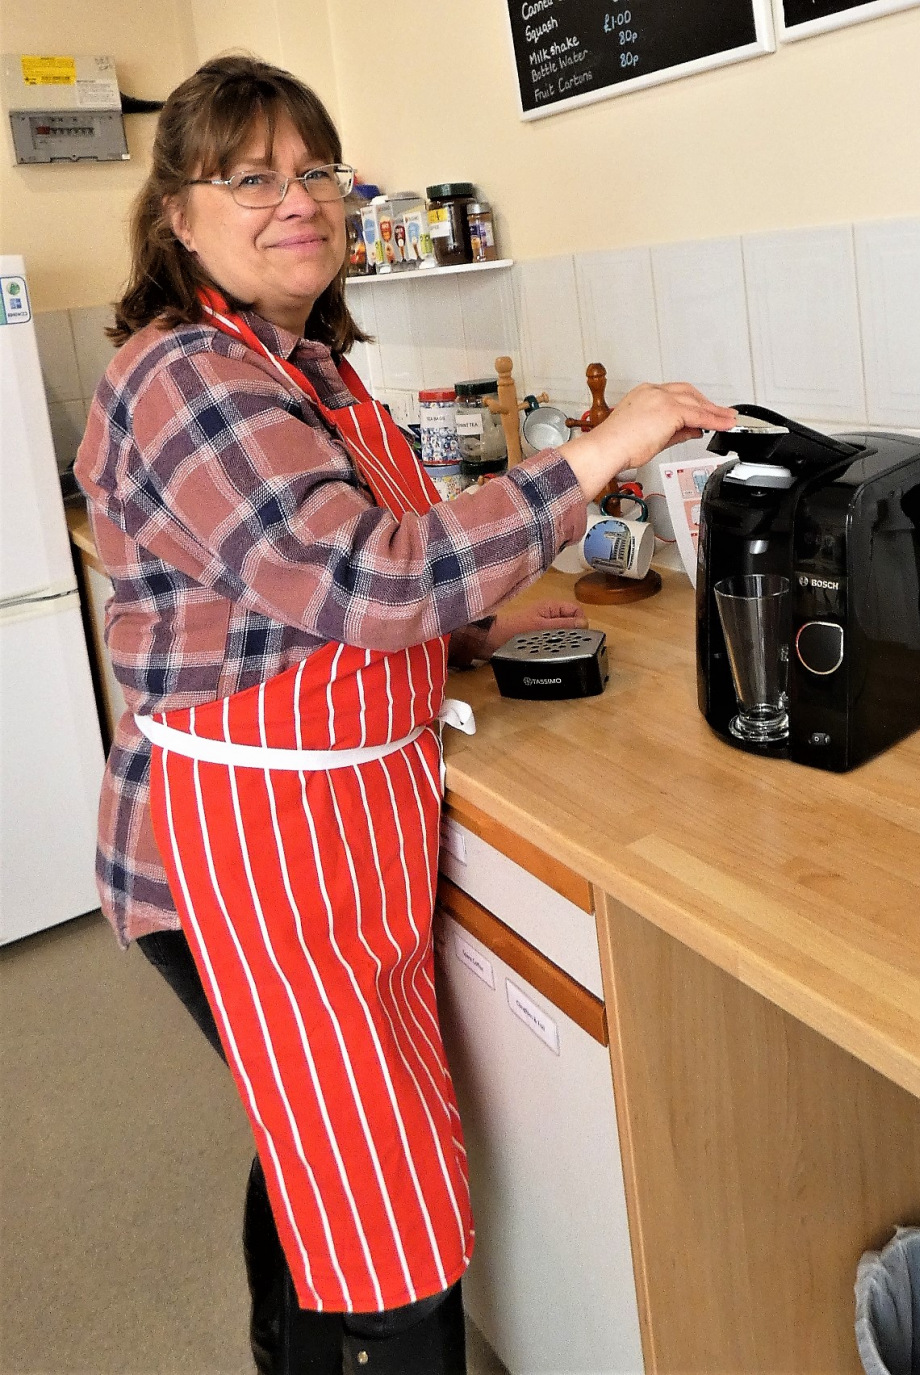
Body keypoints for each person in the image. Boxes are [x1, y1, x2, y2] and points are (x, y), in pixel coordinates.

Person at [74, 53, 737, 1375]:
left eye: (315, 170)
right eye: (251, 176)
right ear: (177, 214)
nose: (298, 200)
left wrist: (479, 630)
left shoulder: (309, 363)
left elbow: (383, 551)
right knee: (379, 1204)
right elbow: (366, 581)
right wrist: (602, 448)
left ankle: (290, 1347)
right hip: (239, 854)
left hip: (338, 829)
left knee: (318, 1145)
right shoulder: (189, 377)